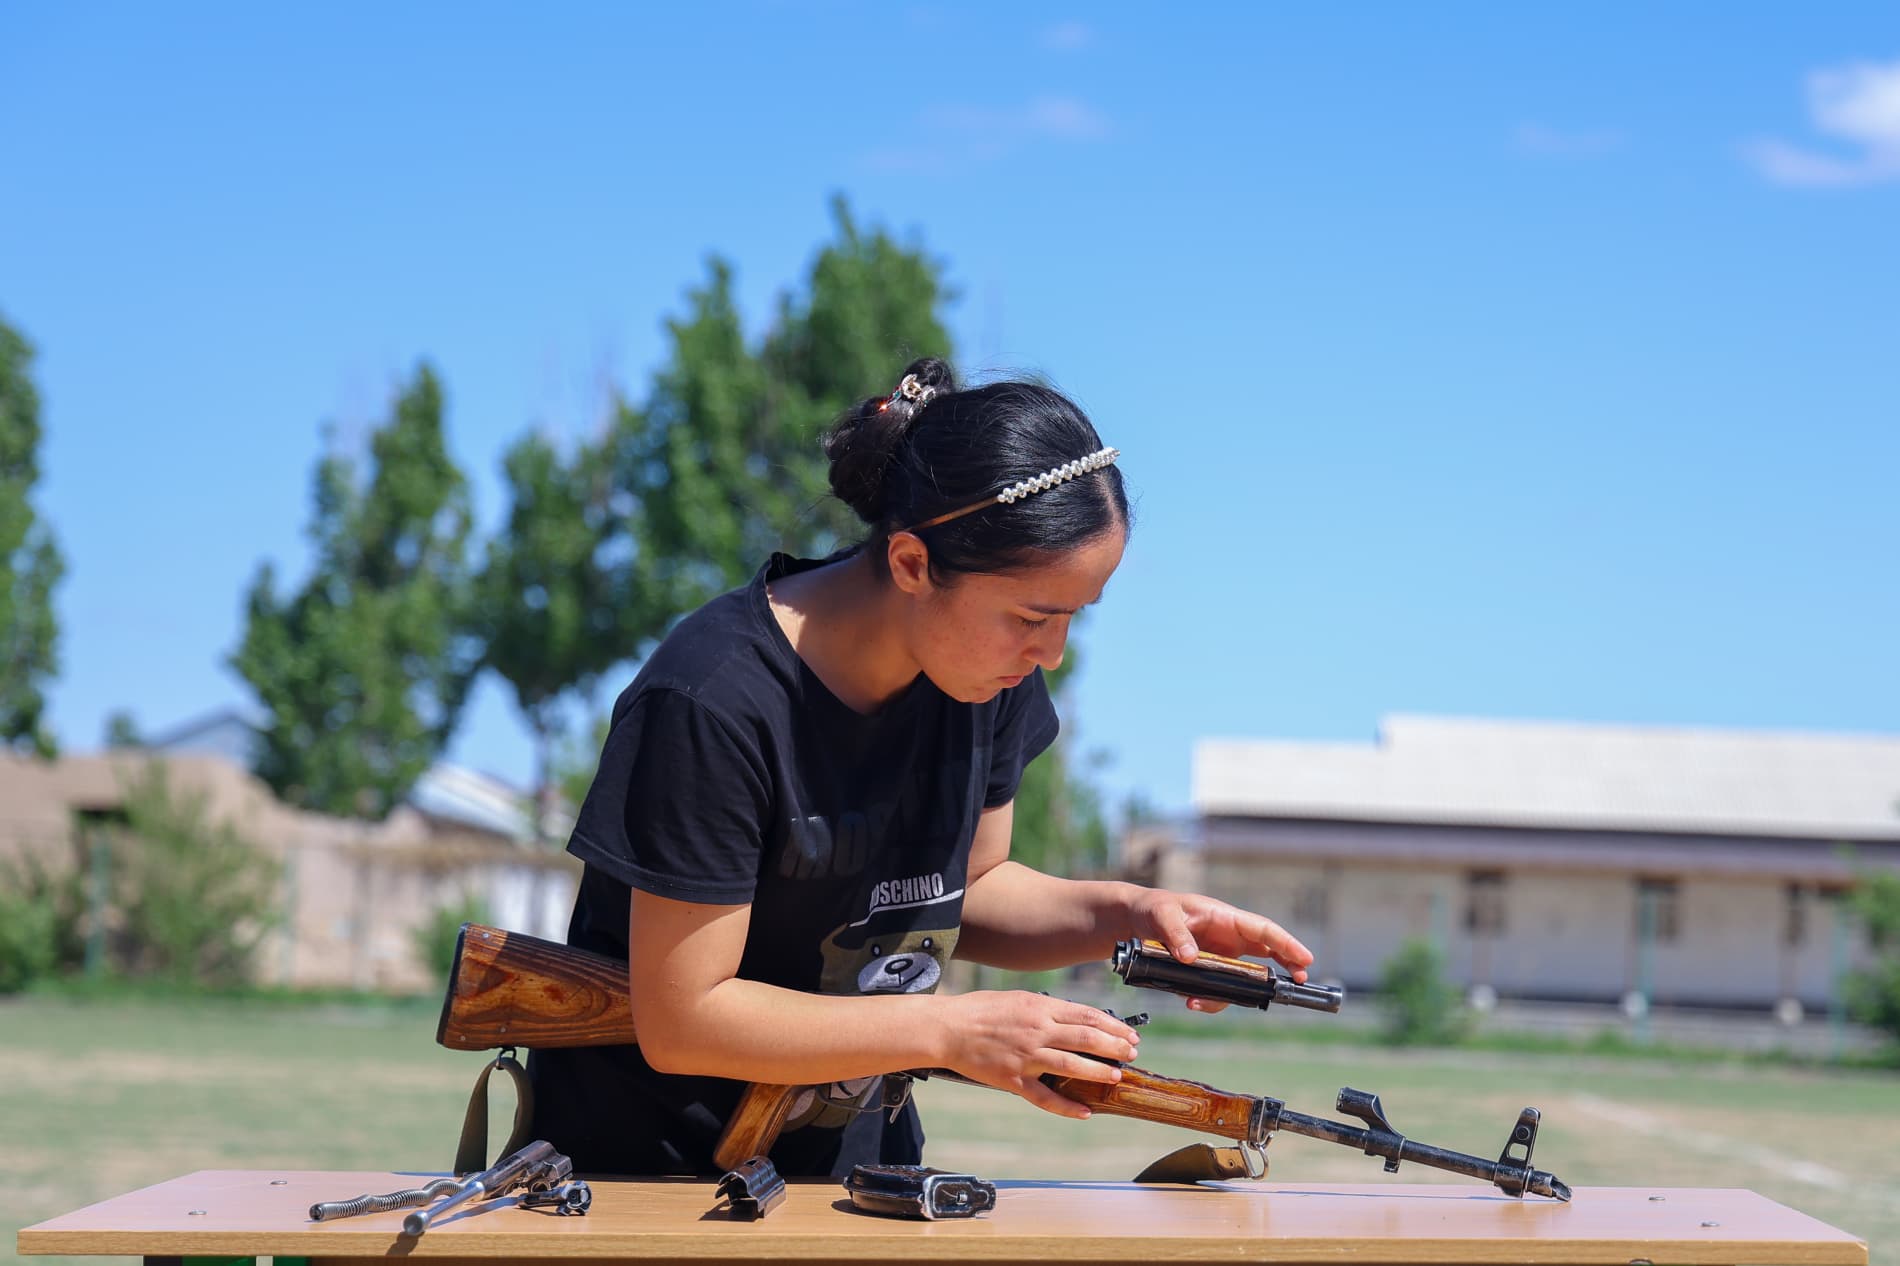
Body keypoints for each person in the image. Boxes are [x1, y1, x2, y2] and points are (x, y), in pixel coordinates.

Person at [528, 356, 1313, 1177]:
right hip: (649, 1182)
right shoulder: (713, 700)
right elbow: (686, 1016)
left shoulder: (983, 676)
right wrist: (948, 1029)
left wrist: (1137, 913)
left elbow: (968, 890)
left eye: (1074, 617)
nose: (1051, 653)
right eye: (1031, 616)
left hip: (862, 1173)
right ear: (910, 564)